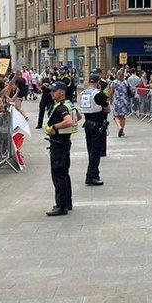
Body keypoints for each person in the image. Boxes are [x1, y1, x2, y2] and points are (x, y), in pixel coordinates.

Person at [44, 81, 77, 216]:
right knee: (64, 174)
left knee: (58, 175)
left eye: (53, 91)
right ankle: (66, 202)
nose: (51, 93)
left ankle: (61, 206)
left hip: (59, 143)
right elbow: (77, 116)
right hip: (63, 142)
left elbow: (69, 121)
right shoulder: (68, 104)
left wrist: (54, 127)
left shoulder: (61, 107)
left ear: (61, 92)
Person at [79, 73, 109, 186]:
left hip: (87, 123)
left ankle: (94, 173)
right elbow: (108, 109)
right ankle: (91, 176)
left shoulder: (83, 93)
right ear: (97, 83)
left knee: (90, 150)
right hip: (97, 124)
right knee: (96, 152)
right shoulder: (98, 94)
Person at [110, 70, 131, 137]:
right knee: (122, 116)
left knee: (116, 116)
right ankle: (122, 131)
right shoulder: (126, 82)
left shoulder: (114, 82)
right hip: (124, 101)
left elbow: (111, 92)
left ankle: (119, 127)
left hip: (117, 101)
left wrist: (110, 99)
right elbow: (128, 91)